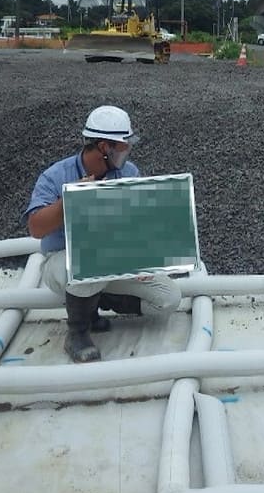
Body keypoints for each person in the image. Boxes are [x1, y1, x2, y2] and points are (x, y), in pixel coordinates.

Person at [24, 105, 182, 363]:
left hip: (112, 258)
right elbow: (36, 228)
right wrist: (70, 199)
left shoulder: (128, 172)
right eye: (122, 145)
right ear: (103, 147)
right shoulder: (56, 176)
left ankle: (93, 304)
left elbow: (136, 223)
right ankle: (78, 332)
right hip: (62, 262)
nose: (126, 150)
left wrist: (142, 258)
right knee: (90, 261)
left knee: (167, 299)